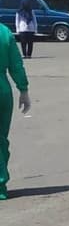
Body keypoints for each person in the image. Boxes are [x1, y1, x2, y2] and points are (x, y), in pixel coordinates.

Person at [0, 22, 31, 200]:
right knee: (1, 139)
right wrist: (23, 90)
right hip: (3, 90)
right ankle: (1, 184)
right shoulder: (4, 32)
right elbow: (16, 64)